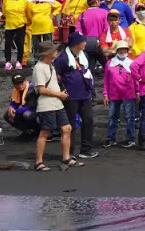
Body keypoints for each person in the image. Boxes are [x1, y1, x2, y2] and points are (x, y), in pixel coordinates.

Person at [32, 40, 80, 170]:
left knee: (67, 128)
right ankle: (39, 162)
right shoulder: (39, 67)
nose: (56, 51)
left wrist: (60, 93)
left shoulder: (51, 65)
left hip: (57, 103)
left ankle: (66, 157)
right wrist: (59, 94)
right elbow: (41, 90)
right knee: (45, 132)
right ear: (48, 53)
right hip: (47, 104)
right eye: (54, 50)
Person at [55, 31, 97, 159]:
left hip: (85, 94)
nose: (85, 43)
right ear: (75, 44)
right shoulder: (62, 58)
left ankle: (86, 149)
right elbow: (57, 76)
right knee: (71, 125)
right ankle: (70, 152)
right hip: (71, 96)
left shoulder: (84, 55)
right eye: (83, 41)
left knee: (88, 120)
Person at [1, 0, 28, 69]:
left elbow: (28, 12)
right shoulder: (6, 0)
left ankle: (19, 61)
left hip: (21, 24)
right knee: (7, 44)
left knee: (20, 43)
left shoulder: (24, 0)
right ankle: (7, 61)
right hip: (9, 24)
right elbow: (4, 11)